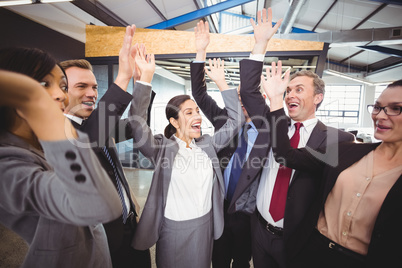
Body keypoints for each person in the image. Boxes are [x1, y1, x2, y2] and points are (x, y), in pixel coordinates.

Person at [265, 64, 402, 267]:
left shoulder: (339, 140)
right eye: (378, 107)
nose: (380, 116)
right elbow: (287, 156)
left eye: (396, 109)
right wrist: (275, 100)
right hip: (312, 252)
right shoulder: (348, 151)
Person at [0, 47, 121, 267]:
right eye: (44, 84)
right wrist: (41, 107)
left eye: (62, 86)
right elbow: (99, 206)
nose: (61, 95)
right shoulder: (8, 165)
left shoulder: (44, 144)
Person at [128, 45, 244, 267]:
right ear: (174, 121)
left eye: (197, 111)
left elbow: (236, 120)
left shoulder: (208, 144)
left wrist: (221, 82)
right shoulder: (162, 149)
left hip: (206, 225)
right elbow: (138, 124)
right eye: (189, 112)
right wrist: (145, 79)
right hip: (174, 230)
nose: (197, 115)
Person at [240, 60, 355, 267]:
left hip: (296, 239)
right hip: (259, 230)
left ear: (318, 98)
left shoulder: (337, 140)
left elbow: (287, 156)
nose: (290, 95)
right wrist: (260, 44)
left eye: (299, 89)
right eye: (288, 90)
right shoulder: (273, 125)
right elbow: (248, 92)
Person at [191, 9, 281, 267]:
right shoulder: (224, 121)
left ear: (258, 100)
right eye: (238, 98)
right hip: (219, 207)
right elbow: (199, 93)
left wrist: (259, 44)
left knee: (242, 262)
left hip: (247, 214)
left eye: (246, 98)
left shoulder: (269, 129)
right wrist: (200, 53)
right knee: (217, 261)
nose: (241, 102)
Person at [60, 25, 151, 268]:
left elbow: (134, 126)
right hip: (101, 242)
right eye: (81, 87)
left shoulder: (97, 125)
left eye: (94, 87)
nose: (91, 93)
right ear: (61, 93)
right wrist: (122, 77)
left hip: (131, 227)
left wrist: (142, 85)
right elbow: (89, 140)